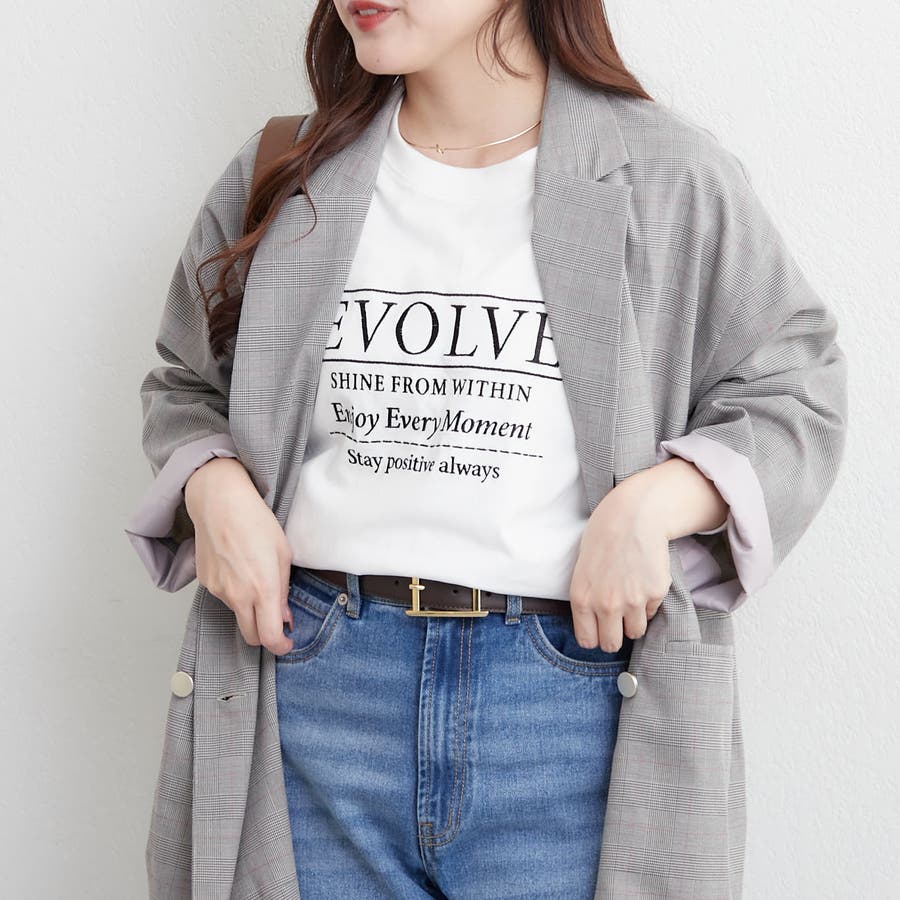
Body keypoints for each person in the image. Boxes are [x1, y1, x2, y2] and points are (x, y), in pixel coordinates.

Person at [125, 2, 848, 897]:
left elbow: (794, 386)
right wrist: (216, 489)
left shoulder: (668, 177)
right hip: (314, 690)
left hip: (569, 707)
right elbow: (186, 383)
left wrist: (656, 504)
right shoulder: (287, 167)